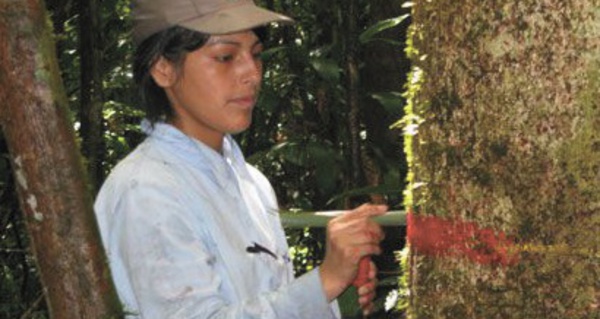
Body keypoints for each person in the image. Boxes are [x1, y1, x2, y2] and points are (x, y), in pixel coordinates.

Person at [94, 0, 387, 318]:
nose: (251, 73)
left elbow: (262, 299)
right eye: (225, 57)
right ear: (163, 68)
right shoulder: (146, 192)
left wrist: (336, 297)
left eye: (256, 54)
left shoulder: (251, 183)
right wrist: (323, 282)